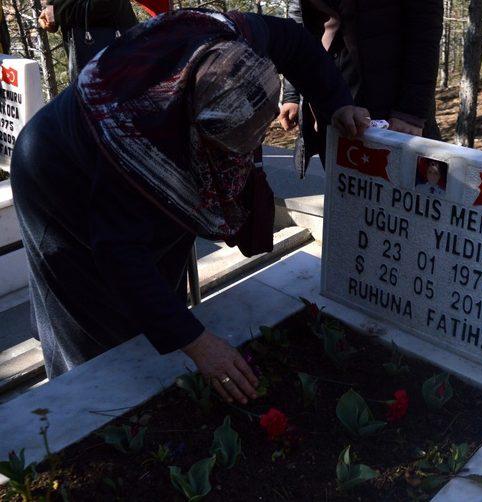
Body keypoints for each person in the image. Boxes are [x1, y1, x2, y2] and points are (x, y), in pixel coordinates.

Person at [11, 9, 369, 404]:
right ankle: (93, 407)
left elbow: (298, 43)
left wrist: (336, 103)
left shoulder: (238, 42)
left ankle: (159, 355)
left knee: (161, 283)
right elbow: (120, 252)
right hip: (57, 180)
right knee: (93, 315)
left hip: (141, 154)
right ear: (193, 126)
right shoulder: (136, 140)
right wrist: (198, 343)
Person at [278, 0, 443, 177]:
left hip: (391, 106)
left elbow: (425, 29)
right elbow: (299, 19)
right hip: (328, 102)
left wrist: (410, 113)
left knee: (395, 192)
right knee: (341, 191)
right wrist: (292, 93)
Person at [38, 0, 138, 78]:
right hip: (83, 53)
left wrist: (56, 9)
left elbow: (106, 5)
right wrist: (50, 12)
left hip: (115, 54)